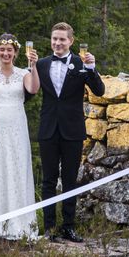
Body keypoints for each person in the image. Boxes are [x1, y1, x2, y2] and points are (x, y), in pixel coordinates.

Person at [35, 23, 105, 242]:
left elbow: (100, 91)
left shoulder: (81, 63)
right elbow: (29, 91)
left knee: (69, 179)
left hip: (73, 130)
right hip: (48, 128)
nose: (57, 43)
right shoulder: (41, 64)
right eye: (54, 39)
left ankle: (68, 226)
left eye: (62, 39)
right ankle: (49, 228)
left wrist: (92, 68)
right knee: (48, 180)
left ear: (71, 41)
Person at [0, 33, 40, 239]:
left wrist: (34, 66)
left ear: (15, 53)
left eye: (9, 50)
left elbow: (33, 88)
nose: (5, 53)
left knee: (16, 167)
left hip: (16, 126)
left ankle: (19, 224)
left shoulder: (23, 73)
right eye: (2, 50)